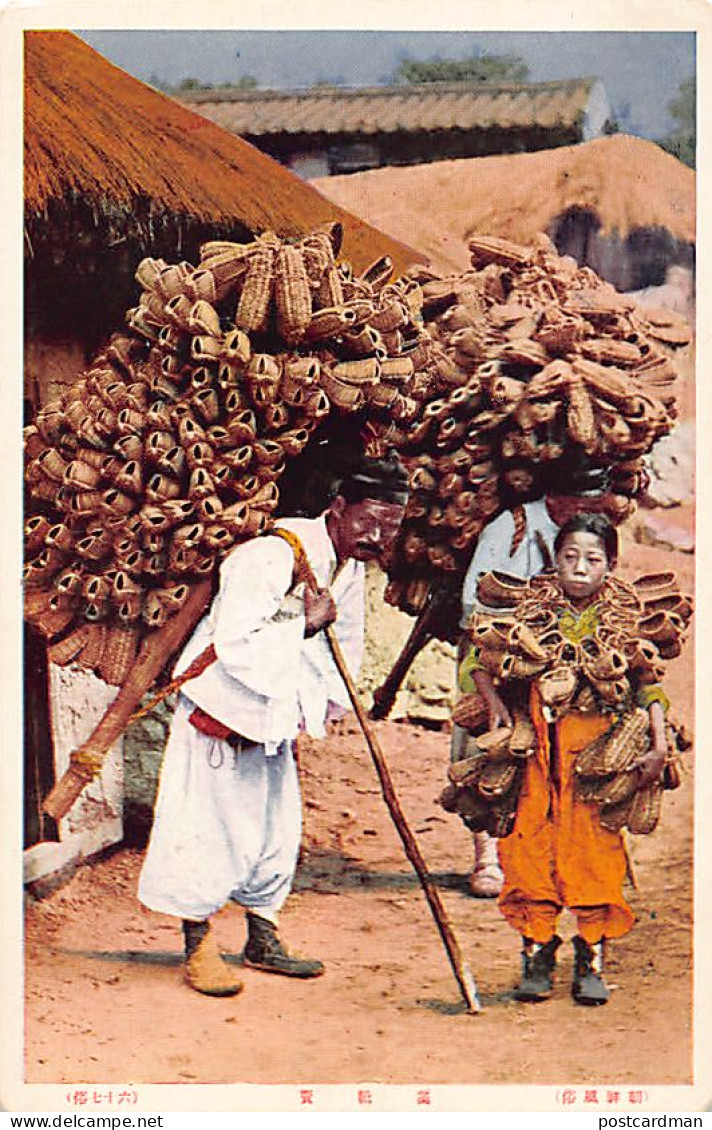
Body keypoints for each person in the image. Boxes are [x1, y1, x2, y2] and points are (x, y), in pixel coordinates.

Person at [137, 450, 409, 997]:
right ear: (338, 507)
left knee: (273, 832)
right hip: (222, 711)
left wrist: (323, 703)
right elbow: (234, 641)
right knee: (207, 832)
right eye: (369, 521)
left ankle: (263, 937)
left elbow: (344, 646)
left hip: (272, 717)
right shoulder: (268, 555)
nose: (379, 537)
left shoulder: (348, 567)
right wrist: (304, 626)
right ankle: (198, 946)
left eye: (392, 528)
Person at [469, 513, 670, 1006]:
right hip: (536, 752)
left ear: (612, 565)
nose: (580, 568)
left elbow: (649, 684)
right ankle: (536, 952)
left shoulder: (624, 619)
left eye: (593, 559)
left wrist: (659, 743)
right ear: (555, 561)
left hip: (598, 759)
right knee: (527, 847)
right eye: (570, 557)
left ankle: (591, 956)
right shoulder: (529, 611)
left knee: (594, 851)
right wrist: (496, 705)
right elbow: (480, 660)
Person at [454, 461, 611, 897]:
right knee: (491, 754)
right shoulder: (511, 527)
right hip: (497, 661)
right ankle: (487, 858)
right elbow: (474, 605)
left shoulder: (587, 535)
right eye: (583, 504)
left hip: (558, 668)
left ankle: (543, 856)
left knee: (549, 758)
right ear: (559, 499)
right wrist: (526, 630)